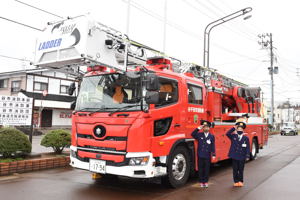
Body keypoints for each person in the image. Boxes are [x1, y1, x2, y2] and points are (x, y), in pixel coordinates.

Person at [191, 120, 216, 188]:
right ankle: (201, 182)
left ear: (209, 128)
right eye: (204, 127)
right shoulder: (199, 135)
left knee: (207, 169)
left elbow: (213, 145)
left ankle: (206, 182)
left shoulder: (211, 136)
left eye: (207, 127)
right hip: (200, 154)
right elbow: (192, 134)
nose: (206, 128)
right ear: (203, 128)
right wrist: (198, 128)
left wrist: (213, 154)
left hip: (207, 155)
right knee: (200, 169)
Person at [226, 121, 250, 187]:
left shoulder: (246, 138)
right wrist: (234, 128)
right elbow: (227, 133)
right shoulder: (233, 136)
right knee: (235, 169)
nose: (240, 130)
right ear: (237, 130)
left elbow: (247, 147)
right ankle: (236, 181)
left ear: (243, 130)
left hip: (242, 156)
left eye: (241, 129)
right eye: (238, 129)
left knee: (241, 169)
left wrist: (247, 155)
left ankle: (241, 181)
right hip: (234, 156)